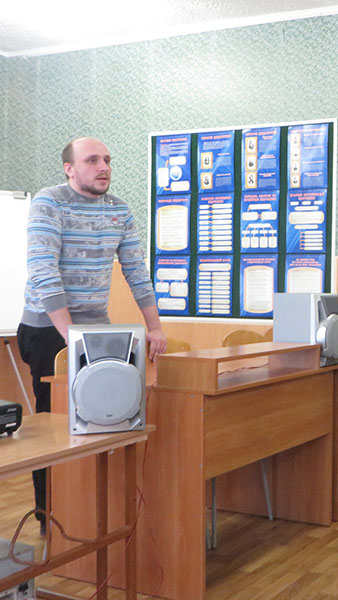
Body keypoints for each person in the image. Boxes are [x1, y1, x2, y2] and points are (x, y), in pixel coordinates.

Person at [17, 137, 168, 533]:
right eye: (92, 160)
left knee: (101, 418)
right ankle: (50, 518)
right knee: (55, 428)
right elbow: (43, 270)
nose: (103, 167)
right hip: (48, 329)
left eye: (107, 160)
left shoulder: (119, 209)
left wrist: (154, 326)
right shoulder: (50, 202)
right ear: (69, 168)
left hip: (95, 329)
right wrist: (71, 335)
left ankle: (90, 515)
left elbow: (136, 271)